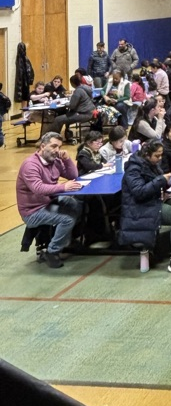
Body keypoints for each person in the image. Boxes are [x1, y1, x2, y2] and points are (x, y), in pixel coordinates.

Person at [120, 140, 171, 272]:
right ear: (147, 154)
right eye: (157, 156)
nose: (160, 159)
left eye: (161, 155)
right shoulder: (133, 169)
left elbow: (156, 183)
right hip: (140, 208)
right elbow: (139, 192)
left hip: (154, 200)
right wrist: (161, 180)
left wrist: (168, 184)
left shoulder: (152, 164)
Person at [15, 131, 83, 268]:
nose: (56, 150)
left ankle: (67, 238)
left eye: (59, 147)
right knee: (67, 219)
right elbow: (38, 188)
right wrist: (63, 187)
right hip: (32, 211)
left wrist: (67, 160)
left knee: (76, 203)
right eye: (53, 146)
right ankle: (52, 251)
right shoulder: (30, 165)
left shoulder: (55, 161)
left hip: (48, 202)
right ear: (42, 146)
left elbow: (73, 175)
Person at [51, 73, 95, 141]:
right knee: (66, 116)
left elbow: (72, 106)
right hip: (90, 112)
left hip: (84, 114)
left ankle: (54, 139)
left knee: (57, 119)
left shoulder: (78, 91)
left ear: (72, 83)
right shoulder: (85, 88)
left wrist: (66, 104)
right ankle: (66, 135)